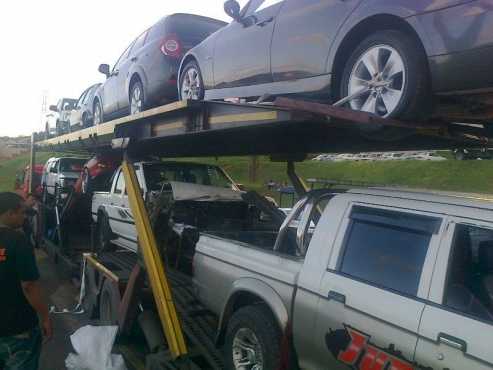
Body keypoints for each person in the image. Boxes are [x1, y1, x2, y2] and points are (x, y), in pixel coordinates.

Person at [0, 192, 52, 370]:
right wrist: (45, 316)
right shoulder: (18, 241)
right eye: (21, 213)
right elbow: (29, 286)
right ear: (9, 213)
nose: (24, 217)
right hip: (16, 328)